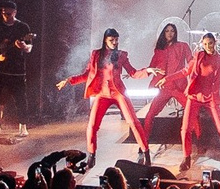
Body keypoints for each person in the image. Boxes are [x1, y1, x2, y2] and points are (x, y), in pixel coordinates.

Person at [60, 29, 149, 160]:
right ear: (105, 40)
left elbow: (133, 73)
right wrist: (70, 80)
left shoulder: (121, 55)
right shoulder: (96, 54)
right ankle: (91, 155)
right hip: (102, 94)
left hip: (118, 93)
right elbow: (87, 75)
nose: (114, 42)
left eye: (116, 40)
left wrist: (148, 71)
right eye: (111, 40)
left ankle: (146, 152)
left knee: (133, 122)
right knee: (92, 125)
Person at [177, 32, 220, 166]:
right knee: (185, 128)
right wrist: (167, 78)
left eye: (210, 43)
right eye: (205, 44)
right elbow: (184, 72)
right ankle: (187, 157)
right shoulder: (199, 56)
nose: (207, 47)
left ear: (215, 43)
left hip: (211, 98)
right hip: (195, 97)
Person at [138, 22, 197, 148]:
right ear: (163, 33)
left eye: (172, 31)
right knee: (150, 115)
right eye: (167, 31)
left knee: (192, 112)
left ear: (175, 33)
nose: (170, 33)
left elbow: (191, 61)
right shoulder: (159, 50)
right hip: (163, 87)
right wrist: (140, 72)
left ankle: (199, 141)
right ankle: (143, 145)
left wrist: (197, 62)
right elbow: (151, 67)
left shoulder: (183, 46)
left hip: (179, 87)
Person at [0, 1, 36, 126]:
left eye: (9, 14)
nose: (6, 16)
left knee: (20, 99)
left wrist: (24, 46)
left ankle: (23, 125)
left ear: (15, 12)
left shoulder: (22, 27)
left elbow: (29, 48)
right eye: (4, 13)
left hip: (16, 69)